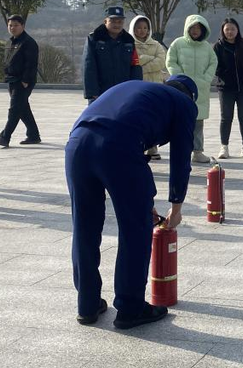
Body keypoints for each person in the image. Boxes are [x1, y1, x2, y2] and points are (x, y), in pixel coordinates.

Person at [66, 75, 199, 329]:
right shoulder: (183, 103)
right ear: (191, 96)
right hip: (119, 146)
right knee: (134, 230)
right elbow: (181, 158)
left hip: (77, 144)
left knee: (85, 227)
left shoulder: (133, 88)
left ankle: (87, 304)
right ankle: (130, 308)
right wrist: (176, 206)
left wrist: (144, 200)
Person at [166, 14, 216, 164]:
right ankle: (182, 151)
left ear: (203, 30)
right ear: (187, 28)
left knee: (198, 122)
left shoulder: (207, 47)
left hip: (200, 90)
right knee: (181, 122)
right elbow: (170, 61)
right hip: (182, 89)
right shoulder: (178, 43)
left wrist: (206, 79)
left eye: (198, 28)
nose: (195, 31)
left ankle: (198, 152)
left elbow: (213, 63)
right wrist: (180, 78)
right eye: (192, 27)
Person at [213, 18, 243, 160]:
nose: (230, 32)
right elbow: (213, 65)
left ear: (237, 30)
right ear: (223, 30)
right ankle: (224, 147)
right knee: (226, 118)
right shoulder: (218, 46)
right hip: (225, 88)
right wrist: (223, 72)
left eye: (232, 29)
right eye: (227, 29)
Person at [0, 15, 41, 147]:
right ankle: (33, 135)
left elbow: (31, 63)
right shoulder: (10, 41)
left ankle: (5, 136)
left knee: (14, 109)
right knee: (23, 108)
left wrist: (26, 80)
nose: (12, 28)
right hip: (12, 79)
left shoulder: (28, 42)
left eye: (16, 25)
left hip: (23, 81)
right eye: (10, 25)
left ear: (23, 26)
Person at [82, 5, 142, 103]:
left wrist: (135, 90)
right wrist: (92, 92)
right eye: (113, 21)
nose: (117, 25)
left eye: (120, 22)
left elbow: (135, 67)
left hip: (123, 92)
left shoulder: (128, 41)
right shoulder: (94, 39)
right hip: (100, 93)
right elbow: (89, 66)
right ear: (105, 21)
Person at [129, 15, 169, 160]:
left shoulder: (157, 45)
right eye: (138, 27)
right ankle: (140, 146)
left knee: (154, 119)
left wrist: (142, 62)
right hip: (138, 88)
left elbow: (161, 62)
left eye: (145, 28)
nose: (142, 30)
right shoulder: (129, 44)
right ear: (133, 28)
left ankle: (152, 147)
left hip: (155, 88)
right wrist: (149, 60)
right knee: (139, 118)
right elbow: (133, 63)